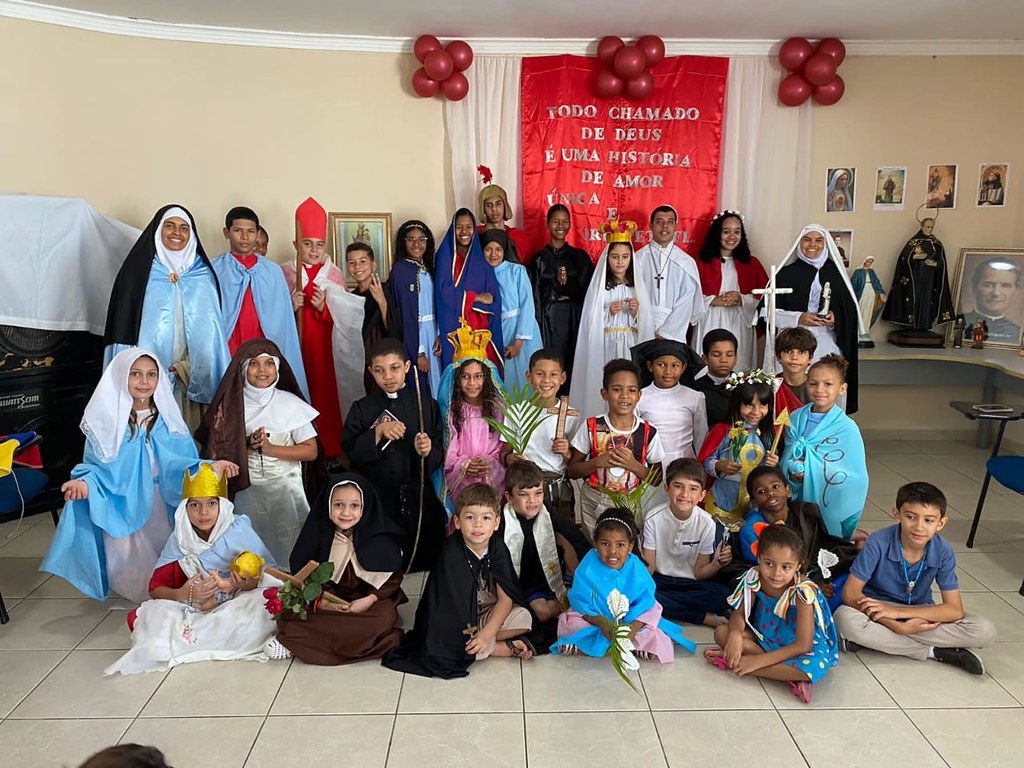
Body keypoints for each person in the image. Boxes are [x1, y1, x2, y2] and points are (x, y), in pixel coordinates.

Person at [41, 348, 237, 602]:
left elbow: (183, 462)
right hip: (123, 500)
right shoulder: (107, 422)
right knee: (129, 555)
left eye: (151, 374)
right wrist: (85, 483)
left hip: (161, 499)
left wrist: (211, 466)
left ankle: (165, 593)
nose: (144, 381)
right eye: (135, 374)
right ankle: (140, 597)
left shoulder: (166, 419)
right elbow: (98, 468)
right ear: (121, 376)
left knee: (162, 548)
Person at [106, 464, 277, 674]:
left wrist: (244, 584)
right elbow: (156, 590)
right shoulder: (180, 539)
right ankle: (220, 636)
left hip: (240, 601)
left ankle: (216, 635)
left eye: (211, 504)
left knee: (266, 604)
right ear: (185, 508)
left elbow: (270, 574)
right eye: (195, 505)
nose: (203, 513)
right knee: (152, 616)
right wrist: (185, 593)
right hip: (197, 606)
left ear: (222, 505)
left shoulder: (238, 530)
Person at [835, 482, 997, 675]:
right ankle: (934, 651)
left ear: (941, 523)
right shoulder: (878, 541)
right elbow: (850, 594)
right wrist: (894, 624)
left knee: (984, 631)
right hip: (878, 608)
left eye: (929, 520)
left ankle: (879, 641)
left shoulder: (943, 550)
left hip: (919, 611)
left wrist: (898, 614)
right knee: (844, 619)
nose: (919, 527)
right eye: (911, 517)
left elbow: (954, 609)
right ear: (897, 514)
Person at [382, 483, 535, 679]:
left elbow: (506, 599)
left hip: (485, 613)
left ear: (496, 523)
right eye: (470, 517)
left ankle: (484, 644)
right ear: (457, 521)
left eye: (486, 518)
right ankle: (498, 648)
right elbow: (446, 610)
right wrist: (479, 635)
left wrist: (487, 633)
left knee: (525, 618)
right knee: (453, 647)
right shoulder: (451, 552)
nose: (478, 525)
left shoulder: (497, 547)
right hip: (455, 620)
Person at [102, 204, 231, 426]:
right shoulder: (138, 272)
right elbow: (124, 325)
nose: (177, 233)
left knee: (189, 427)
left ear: (191, 234)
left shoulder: (203, 275)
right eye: (169, 226)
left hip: (189, 371)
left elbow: (213, 334)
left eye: (184, 228)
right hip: (145, 370)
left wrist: (187, 366)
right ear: (158, 230)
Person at [196, 339, 318, 567]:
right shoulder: (229, 407)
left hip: (286, 493)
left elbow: (311, 451)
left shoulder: (291, 403)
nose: (262, 370)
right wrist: (250, 447)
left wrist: (270, 449)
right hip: (246, 493)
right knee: (248, 548)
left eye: (269, 363)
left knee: (290, 545)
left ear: (278, 368)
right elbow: (218, 457)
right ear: (243, 368)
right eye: (254, 363)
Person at [267, 473, 408, 664]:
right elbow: (304, 576)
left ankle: (303, 643)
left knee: (383, 618)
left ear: (365, 506)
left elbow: (392, 579)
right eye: (339, 505)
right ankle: (358, 642)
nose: (346, 513)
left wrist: (369, 600)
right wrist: (324, 603)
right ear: (327, 505)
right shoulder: (317, 536)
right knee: (290, 616)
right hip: (328, 602)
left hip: (368, 602)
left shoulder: (379, 537)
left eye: (354, 506)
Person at [341, 338, 444, 572]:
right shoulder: (362, 408)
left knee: (424, 558)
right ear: (371, 372)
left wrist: (428, 450)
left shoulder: (427, 405)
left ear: (407, 367)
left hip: (418, 495)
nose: (388, 376)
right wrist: (377, 433)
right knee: (384, 559)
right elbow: (349, 449)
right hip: (379, 495)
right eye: (379, 370)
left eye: (394, 368)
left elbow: (440, 447)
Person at [705, 524, 839, 704]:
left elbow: (803, 645)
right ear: (758, 558)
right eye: (769, 564)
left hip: (797, 647)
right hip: (765, 637)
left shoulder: (803, 591)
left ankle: (745, 665)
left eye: (786, 567)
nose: (776, 573)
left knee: (814, 666)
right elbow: (739, 613)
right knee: (722, 633)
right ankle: (779, 672)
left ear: (798, 566)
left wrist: (756, 663)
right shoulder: (754, 577)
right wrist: (735, 635)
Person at [552, 508, 695, 662]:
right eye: (605, 544)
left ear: (630, 547)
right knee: (570, 622)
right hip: (596, 619)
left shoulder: (636, 567)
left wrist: (633, 627)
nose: (612, 551)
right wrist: (601, 622)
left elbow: (646, 603)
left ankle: (628, 643)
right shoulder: (588, 565)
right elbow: (580, 601)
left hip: (630, 619)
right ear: (595, 544)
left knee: (652, 628)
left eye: (620, 545)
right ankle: (598, 644)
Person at [281, 197, 364, 461]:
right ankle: (301, 451)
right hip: (297, 349)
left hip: (326, 351)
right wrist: (290, 306)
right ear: (296, 244)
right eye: (307, 244)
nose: (314, 250)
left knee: (326, 399)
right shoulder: (284, 273)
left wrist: (323, 309)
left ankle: (330, 451)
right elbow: (272, 317)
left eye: (319, 244)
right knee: (298, 396)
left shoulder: (334, 275)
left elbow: (347, 320)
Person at [760, 225, 862, 413]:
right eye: (807, 240)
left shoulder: (837, 274)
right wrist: (799, 318)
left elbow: (849, 313)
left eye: (818, 240)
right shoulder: (785, 273)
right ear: (799, 243)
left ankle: (824, 427)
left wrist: (835, 318)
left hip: (825, 343)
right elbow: (764, 313)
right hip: (792, 343)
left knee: (824, 388)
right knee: (788, 391)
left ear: (826, 244)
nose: (812, 244)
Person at [212, 206, 308, 395]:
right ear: (226, 233)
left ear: (257, 234)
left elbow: (282, 321)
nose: (245, 237)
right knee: (230, 394)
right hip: (228, 345)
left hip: (264, 345)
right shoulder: (214, 270)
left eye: (250, 231)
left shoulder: (273, 271)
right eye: (238, 231)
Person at [739, 466, 860, 612]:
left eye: (775, 487)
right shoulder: (751, 529)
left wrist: (820, 579)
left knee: (851, 576)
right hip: (777, 585)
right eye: (761, 491)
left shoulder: (803, 512)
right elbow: (765, 572)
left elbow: (817, 547)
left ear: (787, 490)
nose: (770, 493)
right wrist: (810, 585)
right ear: (754, 501)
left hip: (810, 573)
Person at [568, 359, 664, 540]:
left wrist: (634, 465)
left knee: (626, 546)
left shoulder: (647, 432)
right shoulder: (591, 426)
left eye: (631, 390)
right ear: (604, 393)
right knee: (595, 546)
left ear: (639, 395)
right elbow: (572, 471)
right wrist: (597, 462)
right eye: (617, 389)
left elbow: (656, 479)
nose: (624, 396)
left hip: (630, 501)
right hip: (595, 500)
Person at [570, 219, 653, 422]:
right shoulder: (600, 288)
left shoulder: (636, 287)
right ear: (607, 258)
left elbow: (646, 323)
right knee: (607, 381)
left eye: (625, 257)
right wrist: (608, 313)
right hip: (605, 344)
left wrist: (636, 313)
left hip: (629, 344)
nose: (620, 262)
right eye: (615, 257)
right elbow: (590, 321)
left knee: (627, 381)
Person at [502, 460, 590, 652]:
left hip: (549, 580)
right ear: (509, 497)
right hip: (523, 584)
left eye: (538, 493)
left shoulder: (547, 514)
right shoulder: (502, 523)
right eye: (523, 495)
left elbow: (576, 539)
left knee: (566, 542)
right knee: (542, 613)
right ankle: (562, 606)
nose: (532, 501)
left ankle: (565, 602)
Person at [780, 355, 867, 539]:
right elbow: (787, 454)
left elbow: (854, 476)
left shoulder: (847, 428)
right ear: (806, 384)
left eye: (828, 384)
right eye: (813, 384)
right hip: (795, 492)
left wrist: (811, 472)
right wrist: (793, 470)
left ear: (842, 388)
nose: (820, 390)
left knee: (822, 538)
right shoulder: (795, 418)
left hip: (826, 495)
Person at [642, 459, 732, 628]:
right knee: (639, 592)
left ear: (702, 495)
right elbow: (649, 569)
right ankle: (700, 617)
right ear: (667, 489)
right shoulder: (653, 518)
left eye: (693, 489)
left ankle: (663, 606)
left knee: (724, 596)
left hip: (690, 584)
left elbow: (699, 573)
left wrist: (717, 564)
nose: (685, 494)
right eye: (678, 486)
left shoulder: (707, 523)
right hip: (659, 580)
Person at [501, 349, 580, 519]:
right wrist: (509, 458)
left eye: (553, 374)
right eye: (540, 374)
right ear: (529, 376)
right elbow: (504, 452)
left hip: (556, 487)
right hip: (524, 487)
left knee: (560, 530)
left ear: (563, 378)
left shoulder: (570, 415)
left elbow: (575, 462)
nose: (546, 380)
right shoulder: (516, 412)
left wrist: (566, 452)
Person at [529, 204, 594, 390]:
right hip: (548, 320)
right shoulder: (539, 259)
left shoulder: (580, 257)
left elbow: (589, 294)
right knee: (550, 364)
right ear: (548, 224)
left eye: (565, 222)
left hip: (574, 319)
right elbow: (534, 296)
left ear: (570, 224)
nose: (560, 226)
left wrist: (567, 285)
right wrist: (555, 286)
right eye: (556, 221)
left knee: (573, 365)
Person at [698, 372, 778, 522]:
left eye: (762, 405)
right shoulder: (723, 431)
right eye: (749, 405)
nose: (756, 412)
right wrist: (719, 466)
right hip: (723, 502)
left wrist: (775, 464)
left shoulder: (770, 434)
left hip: (756, 506)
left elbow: (775, 472)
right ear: (737, 403)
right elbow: (705, 462)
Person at [694, 211, 768, 369]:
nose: (732, 236)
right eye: (726, 231)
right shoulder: (700, 262)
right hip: (710, 319)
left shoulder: (752, 264)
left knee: (739, 365)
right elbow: (687, 296)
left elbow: (765, 299)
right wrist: (713, 301)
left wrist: (743, 299)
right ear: (717, 233)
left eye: (737, 232)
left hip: (739, 321)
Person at [435, 208, 505, 372]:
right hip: (453, 325)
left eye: (468, 227)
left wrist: (472, 301)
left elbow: (494, 299)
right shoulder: (445, 256)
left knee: (482, 373)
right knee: (458, 373)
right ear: (453, 229)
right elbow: (444, 293)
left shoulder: (480, 258)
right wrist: (477, 298)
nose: (464, 232)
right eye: (459, 227)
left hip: (480, 328)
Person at [481, 229, 543, 388]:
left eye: (498, 249)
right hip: (498, 330)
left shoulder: (517, 270)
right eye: (488, 249)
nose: (493, 254)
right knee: (507, 379)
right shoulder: (481, 274)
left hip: (522, 330)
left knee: (527, 376)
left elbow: (527, 305)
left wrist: (518, 343)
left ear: (504, 250)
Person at [633, 205, 704, 341]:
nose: (664, 226)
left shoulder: (686, 262)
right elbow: (632, 294)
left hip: (674, 333)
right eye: (659, 222)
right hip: (641, 328)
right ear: (651, 225)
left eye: (669, 222)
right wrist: (646, 328)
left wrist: (666, 333)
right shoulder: (638, 259)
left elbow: (686, 300)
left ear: (675, 226)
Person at [442, 355, 505, 508]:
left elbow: (502, 446)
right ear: (457, 380)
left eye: (478, 376)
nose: (472, 382)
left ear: (486, 379)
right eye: (465, 376)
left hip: (490, 475)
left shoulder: (498, 408)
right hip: (461, 480)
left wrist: (487, 462)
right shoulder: (451, 410)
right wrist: (465, 465)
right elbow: (448, 448)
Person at [389, 219, 442, 395]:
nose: (416, 244)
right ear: (403, 242)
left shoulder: (429, 268)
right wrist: (418, 352)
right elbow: (405, 313)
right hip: (416, 335)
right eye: (411, 239)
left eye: (421, 239)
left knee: (438, 381)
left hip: (434, 332)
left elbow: (438, 305)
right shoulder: (400, 271)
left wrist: (440, 334)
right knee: (422, 382)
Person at [633, 338, 708, 462]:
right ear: (650, 366)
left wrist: (702, 465)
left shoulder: (695, 397)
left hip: (685, 464)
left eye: (675, 366)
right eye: (661, 365)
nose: (668, 371)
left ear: (683, 368)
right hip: (651, 464)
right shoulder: (639, 397)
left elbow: (701, 437)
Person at [882, 216, 955, 336]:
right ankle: (910, 325)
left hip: (930, 278)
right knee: (914, 298)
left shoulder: (936, 244)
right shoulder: (914, 242)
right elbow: (903, 258)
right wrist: (915, 257)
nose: (930, 229)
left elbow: (942, 262)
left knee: (927, 300)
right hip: (915, 277)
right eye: (928, 227)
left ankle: (924, 325)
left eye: (932, 227)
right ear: (922, 227)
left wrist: (934, 263)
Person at [346, 242, 402, 395]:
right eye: (352, 263)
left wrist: (381, 301)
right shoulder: (352, 297)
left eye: (363, 261)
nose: (357, 267)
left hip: (384, 356)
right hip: (362, 359)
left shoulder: (387, 289)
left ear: (373, 264)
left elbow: (395, 329)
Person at [477, 168, 534, 265]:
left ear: (505, 206)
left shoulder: (517, 236)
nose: (494, 209)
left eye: (498, 204)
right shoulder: (475, 234)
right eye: (489, 205)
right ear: (483, 209)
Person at [960, 257, 1022, 344]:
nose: (996, 293)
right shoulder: (958, 323)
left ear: (1015, 292)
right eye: (988, 284)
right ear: (975, 287)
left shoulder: (1018, 333)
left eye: (1005, 285)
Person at [691, 329, 739, 427]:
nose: (724, 360)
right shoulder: (696, 390)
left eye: (729, 355)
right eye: (716, 355)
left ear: (735, 359)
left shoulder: (744, 387)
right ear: (705, 358)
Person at [773, 327, 815, 419]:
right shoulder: (772, 386)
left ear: (810, 357)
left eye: (801, 352)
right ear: (778, 356)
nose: (794, 357)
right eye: (788, 351)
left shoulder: (817, 386)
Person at [850, 257, 887, 346]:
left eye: (871, 262)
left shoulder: (871, 272)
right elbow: (853, 283)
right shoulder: (858, 272)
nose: (869, 263)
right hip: (862, 293)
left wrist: (881, 292)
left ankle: (865, 330)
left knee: (869, 311)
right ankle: (859, 331)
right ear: (864, 261)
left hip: (871, 292)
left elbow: (876, 282)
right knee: (861, 310)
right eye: (868, 261)